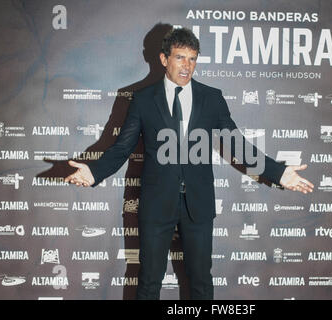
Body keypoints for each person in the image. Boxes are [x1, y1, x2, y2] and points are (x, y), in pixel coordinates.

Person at [65, 27, 314, 300]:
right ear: (163, 59)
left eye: (192, 59)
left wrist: (278, 173)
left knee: (201, 284)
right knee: (148, 283)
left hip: (198, 204)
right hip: (156, 203)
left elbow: (237, 145)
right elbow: (122, 147)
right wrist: (94, 171)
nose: (187, 66)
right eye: (180, 57)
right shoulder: (143, 99)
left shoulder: (212, 98)